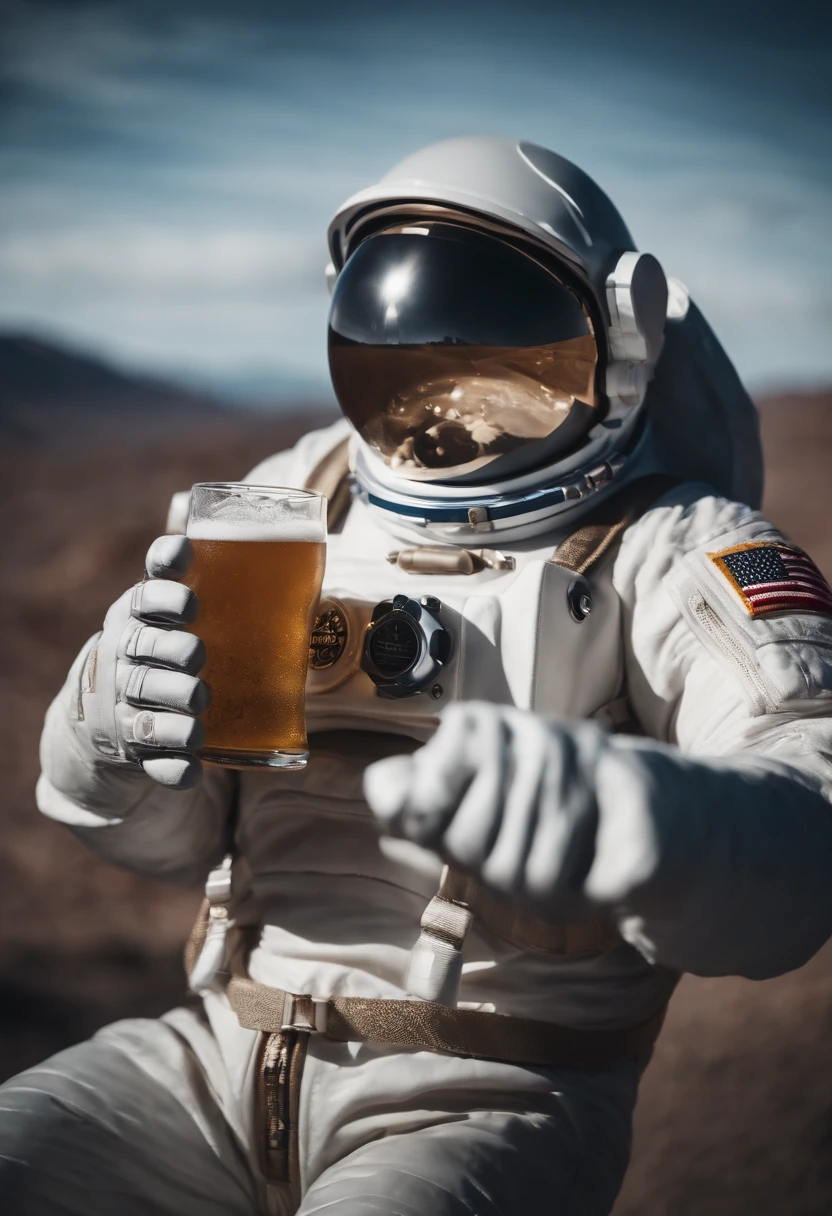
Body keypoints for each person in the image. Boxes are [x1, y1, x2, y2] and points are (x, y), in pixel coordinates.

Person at [3, 136, 832, 1216]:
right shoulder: (295, 496)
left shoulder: (675, 549)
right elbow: (174, 845)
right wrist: (106, 735)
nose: (445, 385)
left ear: (616, 337)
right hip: (211, 1053)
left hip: (491, 1089)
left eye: (500, 337)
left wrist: (641, 819)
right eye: (402, 332)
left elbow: (806, 820)